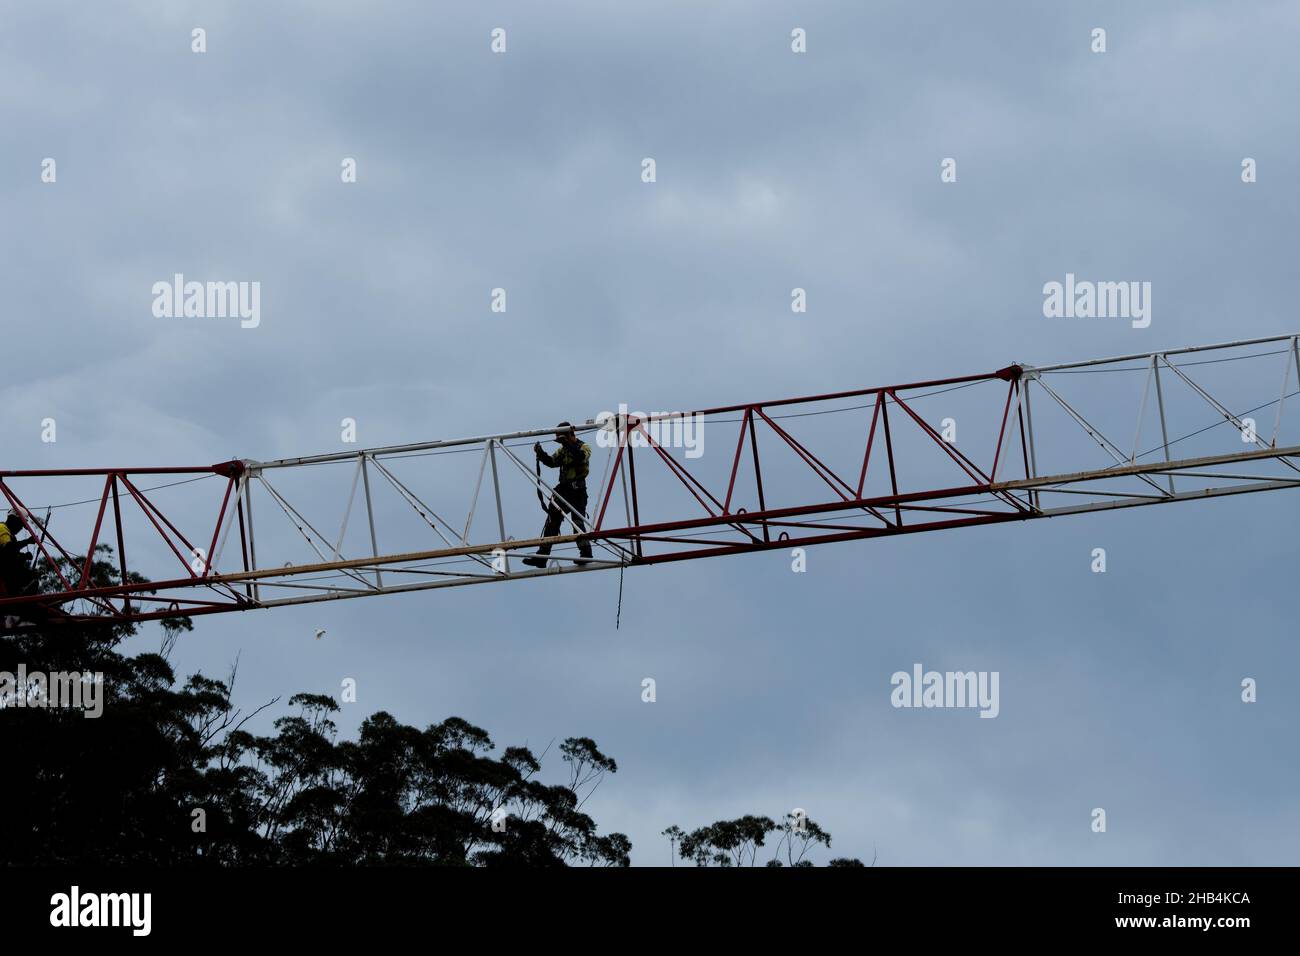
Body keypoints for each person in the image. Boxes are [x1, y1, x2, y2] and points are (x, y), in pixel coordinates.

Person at [522, 423, 594, 568]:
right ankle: (542, 556)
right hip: (564, 491)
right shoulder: (563, 450)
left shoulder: (584, 447)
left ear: (571, 434)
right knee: (552, 521)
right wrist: (540, 454)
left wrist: (566, 444)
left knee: (577, 523)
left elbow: (580, 458)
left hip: (578, 492)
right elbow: (552, 462)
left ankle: (586, 554)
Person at [0, 513, 37, 597]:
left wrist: (24, 556)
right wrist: (27, 541)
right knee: (26, 575)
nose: (20, 528)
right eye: (20, 525)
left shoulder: (11, 536)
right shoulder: (2, 528)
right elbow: (7, 549)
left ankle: (19, 593)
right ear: (13, 519)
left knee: (30, 575)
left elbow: (11, 554)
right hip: (3, 571)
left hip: (5, 570)